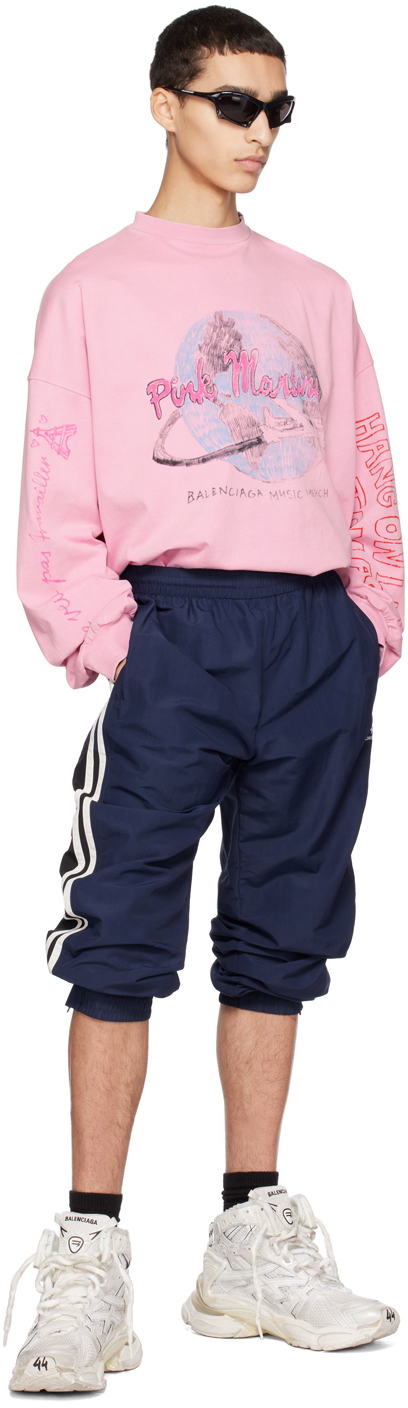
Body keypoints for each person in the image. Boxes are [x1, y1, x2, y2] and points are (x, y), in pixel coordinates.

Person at [4, 4, 403, 1392]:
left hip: (311, 635)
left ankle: (248, 1237)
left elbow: (364, 458)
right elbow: (54, 477)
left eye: (279, 108)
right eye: (235, 102)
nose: (261, 132)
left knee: (283, 938)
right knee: (119, 937)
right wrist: (116, 640)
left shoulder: (317, 288)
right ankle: (88, 1253)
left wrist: (367, 624)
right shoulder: (92, 287)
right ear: (165, 103)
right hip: (173, 630)